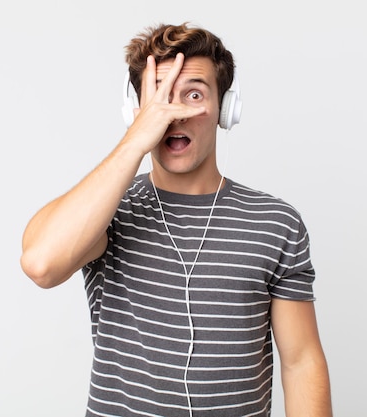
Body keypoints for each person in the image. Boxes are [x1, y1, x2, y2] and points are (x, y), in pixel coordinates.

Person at [20, 22, 332, 417]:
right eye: (161, 98)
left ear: (225, 109)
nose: (175, 114)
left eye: (194, 95)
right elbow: (41, 264)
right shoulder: (109, 210)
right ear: (136, 111)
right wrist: (136, 138)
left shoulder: (276, 223)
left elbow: (301, 361)